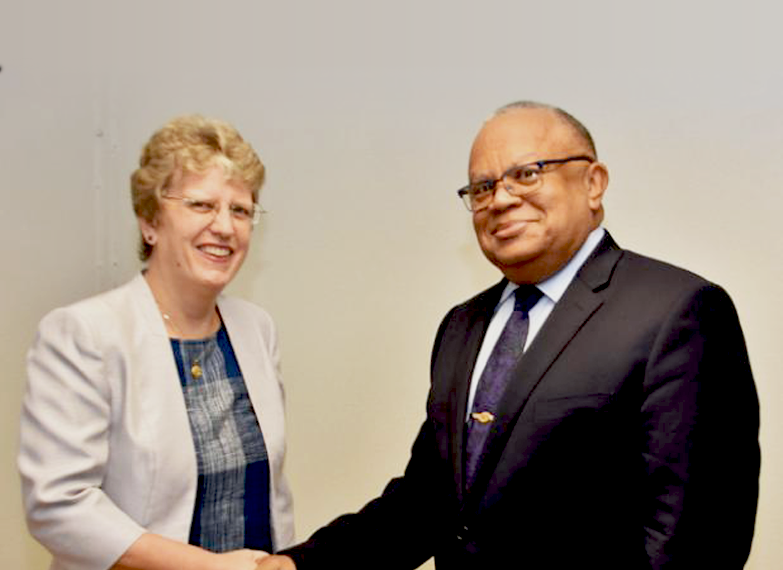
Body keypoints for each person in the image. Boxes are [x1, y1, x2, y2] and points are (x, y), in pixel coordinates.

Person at [258, 101, 760, 569]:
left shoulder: (678, 312)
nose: (500, 199)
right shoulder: (462, 326)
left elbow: (695, 542)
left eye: (526, 174)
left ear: (593, 183)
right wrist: (297, 565)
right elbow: (429, 503)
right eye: (481, 188)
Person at [19, 115, 295, 570]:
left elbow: (273, 494)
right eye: (202, 205)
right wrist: (212, 568)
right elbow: (58, 506)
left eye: (240, 210)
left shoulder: (256, 329)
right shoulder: (83, 334)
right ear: (150, 221)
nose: (225, 227)